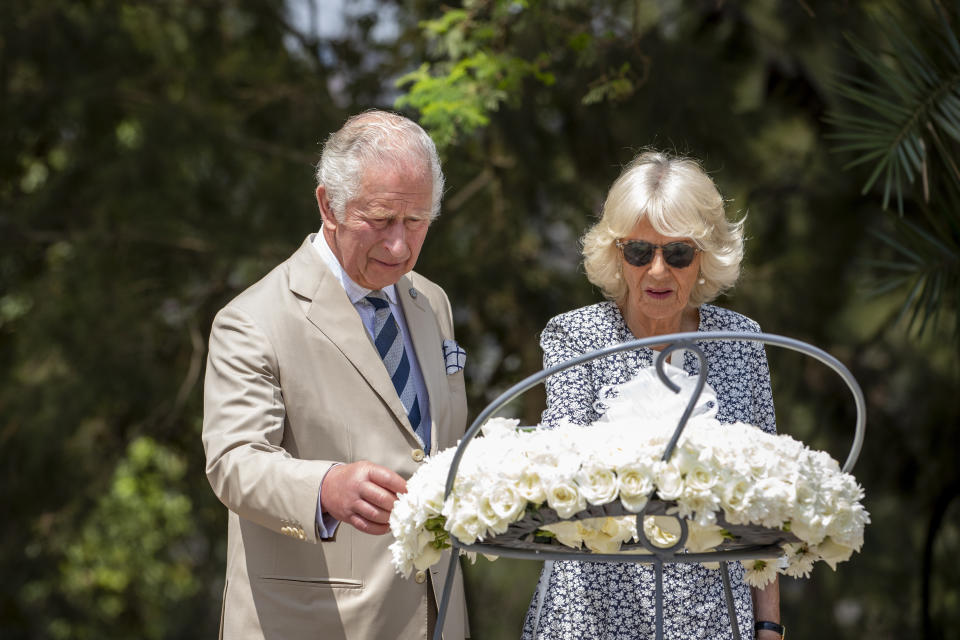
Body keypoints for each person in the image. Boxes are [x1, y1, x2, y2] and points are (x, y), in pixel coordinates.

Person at [202, 110, 469, 640]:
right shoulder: (251, 320)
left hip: (438, 616)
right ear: (328, 204)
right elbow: (232, 462)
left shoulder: (431, 302)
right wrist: (324, 486)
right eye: (380, 220)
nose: (399, 246)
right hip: (314, 624)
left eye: (415, 222)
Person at [521, 151, 783, 640]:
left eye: (678, 253)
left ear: (705, 256)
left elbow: (765, 501)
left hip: (711, 617)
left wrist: (768, 624)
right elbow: (559, 473)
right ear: (618, 255)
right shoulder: (576, 336)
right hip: (591, 614)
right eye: (640, 252)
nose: (658, 271)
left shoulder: (742, 342)